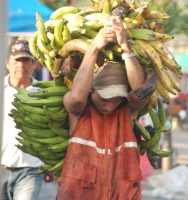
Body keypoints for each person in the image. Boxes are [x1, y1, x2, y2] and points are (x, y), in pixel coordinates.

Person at [56, 16, 146, 200]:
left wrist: (125, 46)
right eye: (105, 97)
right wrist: (95, 47)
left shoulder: (126, 112)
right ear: (92, 90)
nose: (109, 104)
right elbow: (76, 96)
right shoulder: (79, 110)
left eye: (115, 99)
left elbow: (140, 91)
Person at [1, 39, 44, 200]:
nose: (21, 65)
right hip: (1, 168)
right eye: (16, 60)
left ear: (33, 65)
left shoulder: (43, 93)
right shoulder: (0, 91)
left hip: (30, 169)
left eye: (26, 60)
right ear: (7, 63)